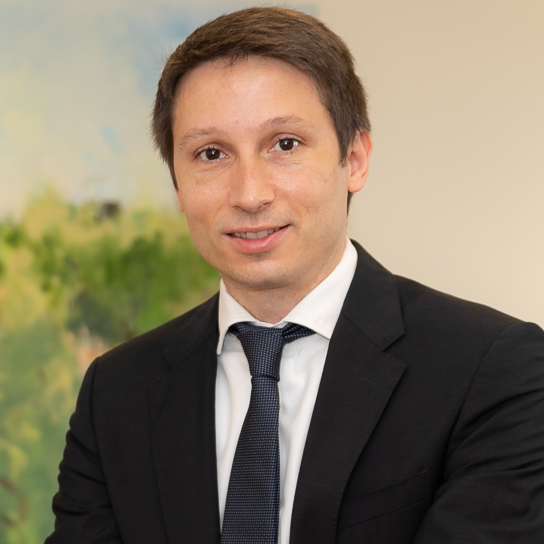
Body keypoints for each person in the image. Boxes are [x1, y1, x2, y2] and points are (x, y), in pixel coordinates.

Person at [46, 7, 544, 544]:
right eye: (210, 154)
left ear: (355, 158)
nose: (249, 194)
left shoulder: (494, 370)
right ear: (177, 185)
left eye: (285, 144)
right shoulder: (116, 393)